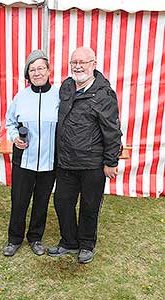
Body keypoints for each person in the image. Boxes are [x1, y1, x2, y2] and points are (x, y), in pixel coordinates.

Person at [47, 47, 122, 264]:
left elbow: (112, 131)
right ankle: (69, 241)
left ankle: (86, 244)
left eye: (83, 62)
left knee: (89, 205)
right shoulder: (67, 86)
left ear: (94, 64)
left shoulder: (104, 94)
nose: (78, 66)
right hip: (66, 161)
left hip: (92, 163)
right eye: (74, 62)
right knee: (62, 202)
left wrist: (110, 161)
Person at [3, 50, 59, 257]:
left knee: (42, 200)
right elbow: (10, 123)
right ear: (28, 74)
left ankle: (35, 237)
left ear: (48, 70)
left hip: (49, 160)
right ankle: (14, 239)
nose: (37, 73)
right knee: (19, 200)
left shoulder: (59, 95)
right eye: (32, 69)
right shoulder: (20, 96)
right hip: (23, 159)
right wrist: (14, 137)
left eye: (40, 68)